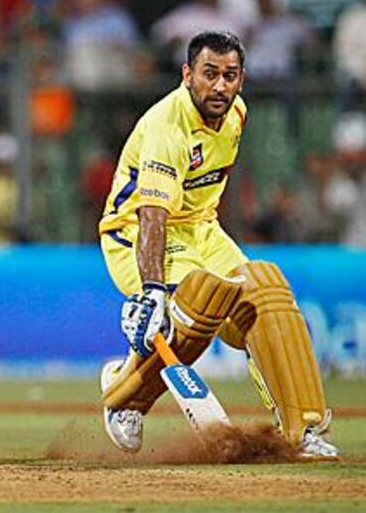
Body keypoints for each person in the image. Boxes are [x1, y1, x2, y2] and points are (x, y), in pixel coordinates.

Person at [97, 31, 338, 459]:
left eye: (230, 76)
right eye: (210, 74)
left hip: (202, 229)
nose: (220, 86)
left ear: (242, 79)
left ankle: (301, 431)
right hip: (136, 232)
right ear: (187, 74)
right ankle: (125, 400)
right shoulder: (166, 128)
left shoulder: (236, 114)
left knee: (265, 293)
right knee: (199, 303)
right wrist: (152, 291)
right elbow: (152, 215)